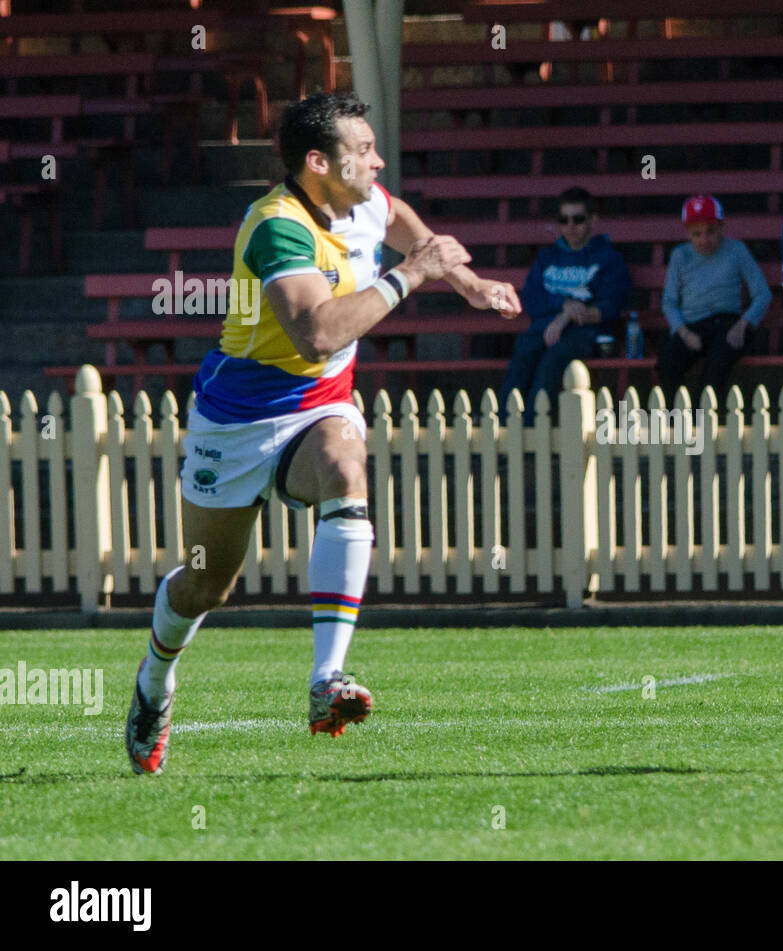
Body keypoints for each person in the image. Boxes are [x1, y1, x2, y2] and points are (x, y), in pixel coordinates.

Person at [124, 91, 522, 774]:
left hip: (319, 406)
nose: (378, 160)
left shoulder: (362, 198)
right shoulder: (275, 226)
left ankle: (326, 681)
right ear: (318, 163)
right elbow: (316, 334)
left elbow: (400, 220)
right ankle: (153, 686)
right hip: (237, 421)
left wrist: (469, 283)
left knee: (345, 465)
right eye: (363, 150)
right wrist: (412, 276)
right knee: (205, 584)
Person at [500, 187, 631, 422]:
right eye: (564, 220)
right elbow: (530, 298)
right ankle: (504, 426)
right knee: (523, 353)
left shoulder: (609, 258)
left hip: (586, 332)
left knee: (553, 359)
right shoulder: (546, 257)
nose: (570, 225)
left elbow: (611, 305)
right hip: (545, 327)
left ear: (593, 220)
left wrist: (567, 316)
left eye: (578, 219)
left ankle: (531, 430)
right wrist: (564, 305)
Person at [656, 195, 772, 403]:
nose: (704, 239)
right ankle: (673, 424)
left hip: (727, 323)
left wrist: (743, 325)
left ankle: (702, 423)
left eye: (710, 232)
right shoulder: (680, 256)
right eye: (696, 234)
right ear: (687, 234)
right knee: (666, 363)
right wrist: (683, 332)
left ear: (721, 227)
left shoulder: (736, 250)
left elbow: (762, 294)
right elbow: (669, 302)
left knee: (715, 368)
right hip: (692, 326)